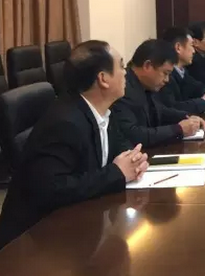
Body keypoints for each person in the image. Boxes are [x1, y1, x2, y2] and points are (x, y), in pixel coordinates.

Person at [0, 40, 149, 250]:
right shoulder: (65, 123)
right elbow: (52, 189)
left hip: (78, 222)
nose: (126, 73)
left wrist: (134, 160)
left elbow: (119, 145)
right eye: (121, 66)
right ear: (103, 79)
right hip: (34, 242)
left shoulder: (103, 110)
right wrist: (117, 173)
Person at [110, 39, 205, 148]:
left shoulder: (145, 85)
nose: (167, 80)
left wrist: (187, 117)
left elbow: (159, 111)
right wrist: (179, 129)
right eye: (165, 73)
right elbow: (134, 135)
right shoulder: (123, 89)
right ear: (147, 66)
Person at [158, 26, 205, 114]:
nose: (194, 51)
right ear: (178, 47)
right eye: (191, 46)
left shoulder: (182, 71)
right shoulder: (165, 75)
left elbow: (197, 86)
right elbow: (172, 108)